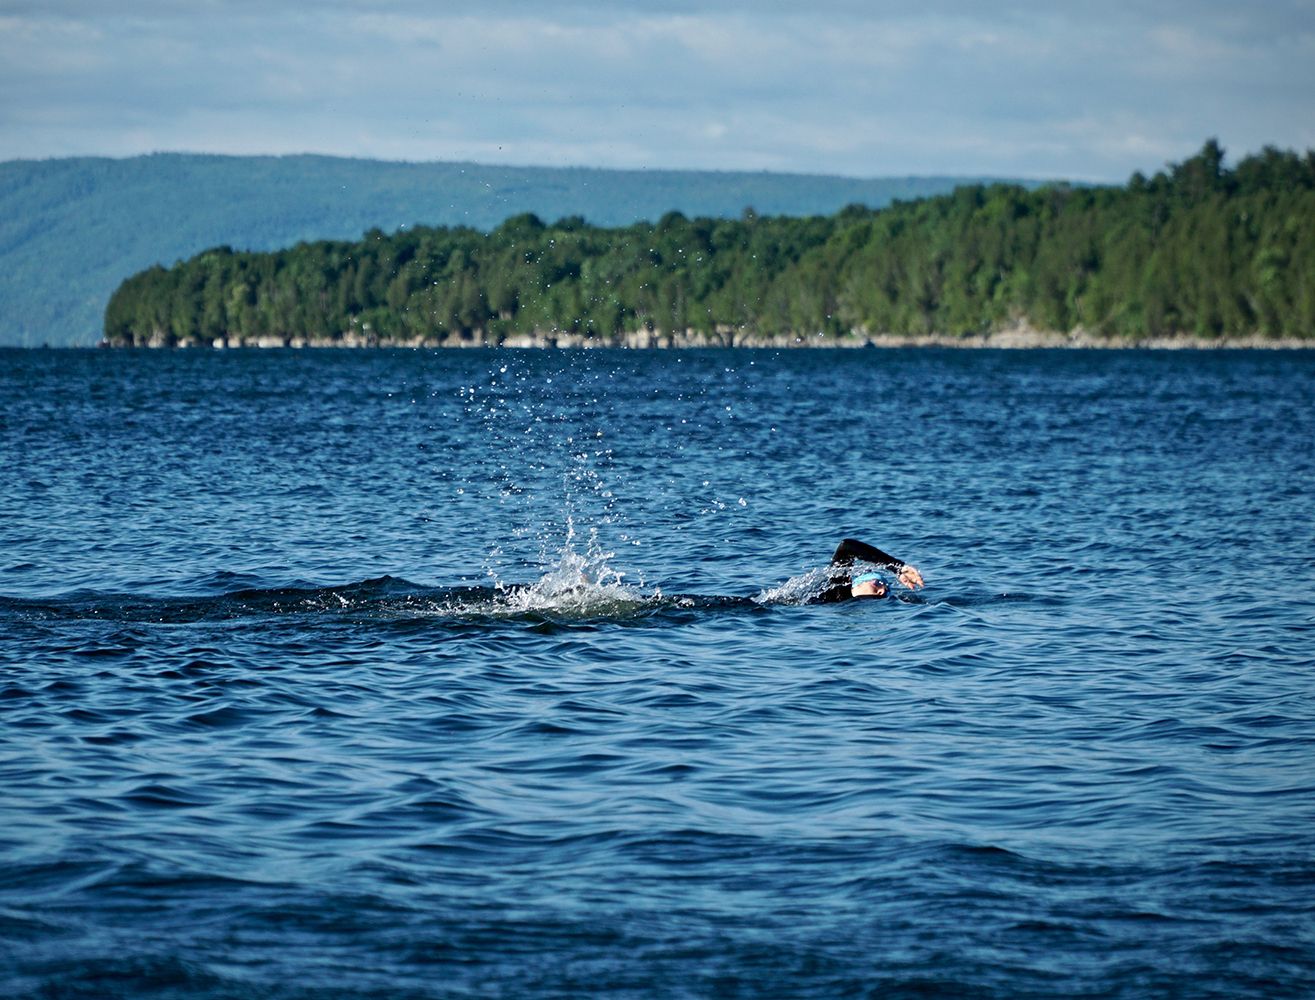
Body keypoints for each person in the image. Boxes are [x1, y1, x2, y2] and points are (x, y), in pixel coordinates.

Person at [814, 538, 924, 603]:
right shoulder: (837, 590)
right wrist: (897, 567)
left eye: (887, 590)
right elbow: (846, 547)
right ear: (856, 584)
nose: (882, 591)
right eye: (877, 583)